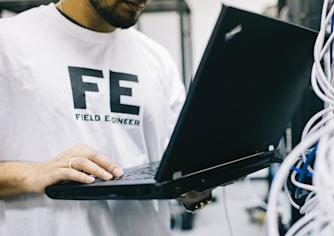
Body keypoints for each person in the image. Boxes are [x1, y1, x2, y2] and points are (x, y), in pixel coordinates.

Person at [0, 0, 210, 235]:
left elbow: (176, 170)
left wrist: (195, 189)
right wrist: (33, 174)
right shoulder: (8, 43)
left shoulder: (158, 59)